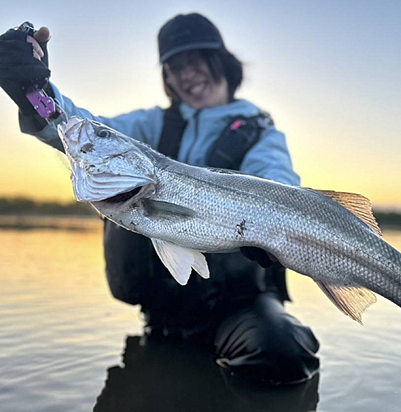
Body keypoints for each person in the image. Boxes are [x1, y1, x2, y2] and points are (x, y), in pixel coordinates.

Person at [0, 13, 319, 384]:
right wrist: (35, 93)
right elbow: (83, 134)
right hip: (164, 313)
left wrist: (268, 227)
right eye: (175, 66)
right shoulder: (149, 126)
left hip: (240, 305)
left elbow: (277, 183)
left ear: (223, 63)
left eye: (197, 60)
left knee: (282, 352)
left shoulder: (261, 134)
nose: (187, 74)